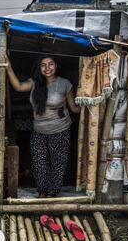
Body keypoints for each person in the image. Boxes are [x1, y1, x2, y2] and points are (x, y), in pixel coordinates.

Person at [5, 55, 80, 197]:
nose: (47, 68)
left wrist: (90, 105)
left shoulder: (65, 84)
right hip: (38, 130)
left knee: (58, 164)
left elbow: (74, 108)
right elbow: (19, 87)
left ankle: (52, 194)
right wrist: (8, 68)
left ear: (56, 66)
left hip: (61, 130)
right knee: (39, 164)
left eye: (50, 64)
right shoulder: (34, 83)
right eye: (43, 65)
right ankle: (42, 192)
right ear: (39, 68)